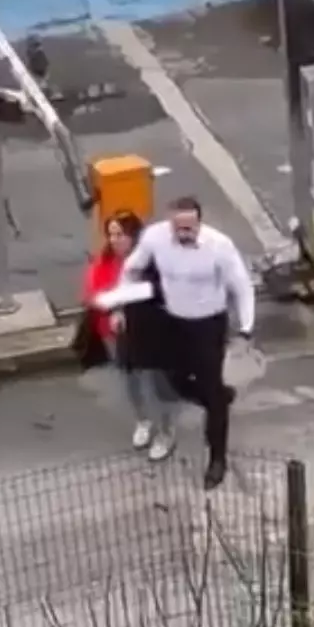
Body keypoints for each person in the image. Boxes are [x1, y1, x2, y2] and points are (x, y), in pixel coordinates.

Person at [123, 194, 255, 490]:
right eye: (178, 228)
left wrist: (245, 330)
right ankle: (216, 397)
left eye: (189, 228)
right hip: (174, 322)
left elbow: (242, 287)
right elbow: (132, 266)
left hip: (208, 325)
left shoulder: (219, 246)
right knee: (175, 382)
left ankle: (217, 458)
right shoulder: (156, 238)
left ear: (199, 223)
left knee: (211, 390)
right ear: (170, 223)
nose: (183, 233)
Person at [82, 211, 177, 462]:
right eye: (111, 234)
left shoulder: (152, 262)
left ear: (133, 236)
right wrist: (113, 311)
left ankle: (166, 433)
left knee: (159, 385)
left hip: (153, 332)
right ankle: (143, 421)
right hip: (122, 334)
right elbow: (95, 291)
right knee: (130, 379)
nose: (114, 240)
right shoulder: (105, 262)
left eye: (120, 234)